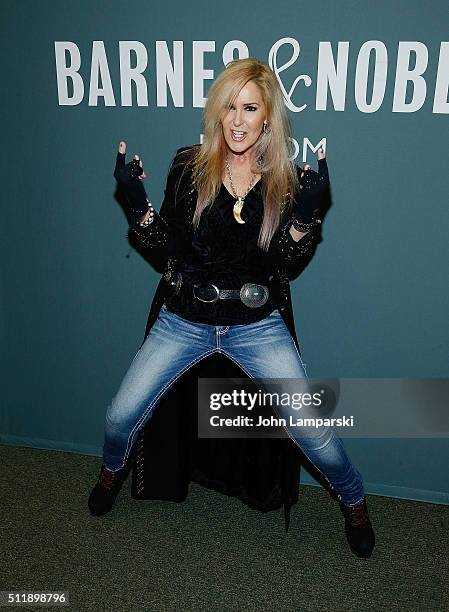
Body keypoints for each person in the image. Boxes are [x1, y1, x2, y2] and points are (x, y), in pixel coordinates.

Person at [88, 58, 375, 558]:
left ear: (268, 117)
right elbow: (170, 248)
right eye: (229, 107)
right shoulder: (189, 165)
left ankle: (353, 498)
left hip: (254, 326)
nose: (238, 120)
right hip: (186, 318)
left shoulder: (284, 178)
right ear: (217, 113)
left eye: (250, 108)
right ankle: (113, 470)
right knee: (119, 417)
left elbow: (284, 258)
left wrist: (307, 216)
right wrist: (136, 205)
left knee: (315, 432)